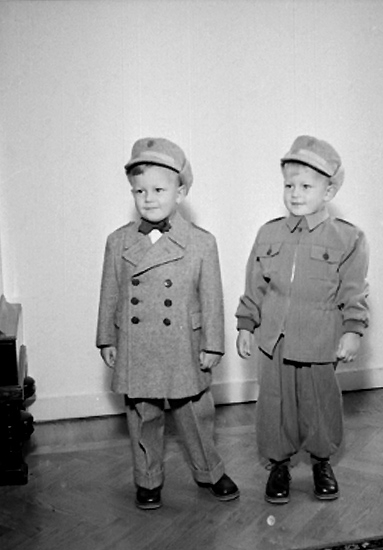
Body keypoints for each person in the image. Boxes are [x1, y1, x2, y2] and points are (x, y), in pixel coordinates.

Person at [96, 137, 239, 510]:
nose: (148, 198)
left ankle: (209, 470)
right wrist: (107, 338)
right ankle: (148, 479)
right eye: (139, 190)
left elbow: (212, 298)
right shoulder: (118, 242)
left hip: (182, 343)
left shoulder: (201, 243)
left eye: (159, 189)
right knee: (143, 415)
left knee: (195, 414)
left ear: (181, 191)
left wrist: (212, 344)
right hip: (136, 343)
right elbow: (110, 293)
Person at [235, 135, 369, 504]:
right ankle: (278, 465)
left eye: (306, 186)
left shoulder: (348, 238)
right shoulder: (269, 233)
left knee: (319, 405)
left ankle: (322, 462)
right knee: (274, 403)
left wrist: (353, 331)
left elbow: (354, 291)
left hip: (319, 338)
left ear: (329, 191)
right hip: (273, 339)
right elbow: (255, 285)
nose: (295, 194)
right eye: (289, 185)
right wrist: (246, 324)